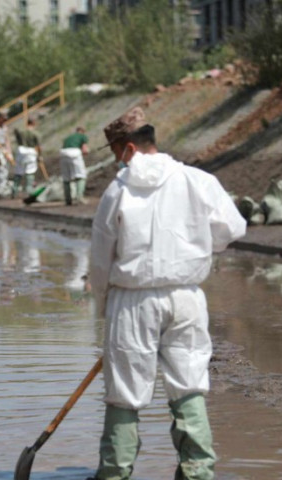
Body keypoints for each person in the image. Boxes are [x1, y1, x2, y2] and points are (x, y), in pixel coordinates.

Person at [89, 106, 246, 480]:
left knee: (125, 391)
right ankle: (198, 473)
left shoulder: (118, 191)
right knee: (189, 383)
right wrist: (200, 244)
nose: (117, 162)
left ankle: (114, 474)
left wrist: (103, 306)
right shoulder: (197, 180)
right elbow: (233, 228)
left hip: (132, 300)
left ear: (127, 148)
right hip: (187, 297)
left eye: (115, 154)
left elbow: (99, 260)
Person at [12, 118, 42, 198]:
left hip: (20, 151)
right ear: (34, 123)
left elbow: (17, 137)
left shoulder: (21, 132)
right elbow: (38, 146)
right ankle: (29, 190)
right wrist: (40, 156)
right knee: (30, 171)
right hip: (30, 152)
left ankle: (14, 190)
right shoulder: (35, 133)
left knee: (18, 172)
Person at [60, 127, 90, 205]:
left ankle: (68, 200)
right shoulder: (82, 136)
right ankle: (79, 197)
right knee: (81, 175)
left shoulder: (68, 138)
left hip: (63, 154)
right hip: (74, 154)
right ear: (82, 131)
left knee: (66, 177)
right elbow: (85, 150)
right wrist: (87, 152)